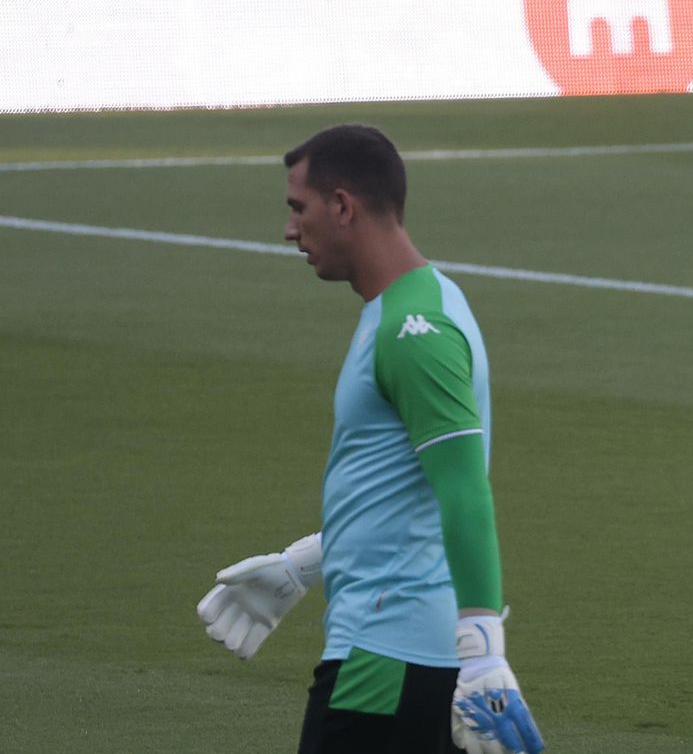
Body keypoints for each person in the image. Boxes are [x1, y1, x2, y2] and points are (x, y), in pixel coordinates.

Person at [194, 125, 544, 754]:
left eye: (299, 209)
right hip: (395, 655)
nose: (289, 230)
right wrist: (302, 566)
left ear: (343, 205)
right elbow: (403, 493)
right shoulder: (402, 309)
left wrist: (484, 651)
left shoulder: (416, 332)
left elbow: (463, 490)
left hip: (385, 660)